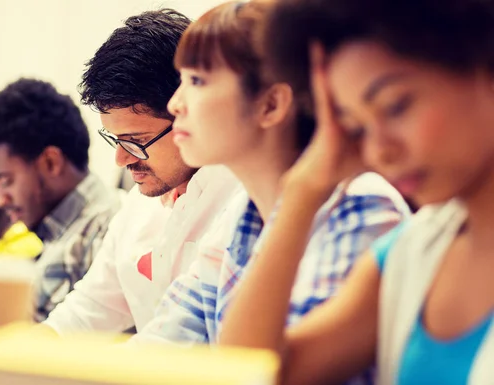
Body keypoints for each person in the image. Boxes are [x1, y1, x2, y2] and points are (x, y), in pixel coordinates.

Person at [0, 10, 243, 382]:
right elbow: (78, 318)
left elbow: (171, 349)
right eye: (114, 140)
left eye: (136, 141)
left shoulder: (237, 201)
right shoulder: (137, 209)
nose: (120, 158)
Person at [219, 0, 494, 384]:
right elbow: (245, 374)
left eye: (395, 106)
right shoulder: (411, 254)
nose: (379, 150)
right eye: (356, 127)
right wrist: (303, 189)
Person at [131, 0, 408, 356]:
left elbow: (269, 370)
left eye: (197, 81)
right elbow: (161, 344)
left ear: (272, 104)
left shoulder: (363, 208)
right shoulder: (238, 215)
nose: (174, 104)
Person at [0, 78, 120, 321]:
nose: (0, 199)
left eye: (5, 180)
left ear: (51, 162)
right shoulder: (60, 234)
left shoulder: (109, 228)